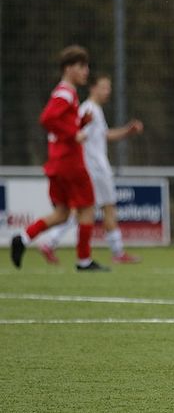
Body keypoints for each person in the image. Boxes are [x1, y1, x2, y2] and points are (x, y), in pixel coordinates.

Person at [10, 45, 108, 271]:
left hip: (58, 161)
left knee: (62, 213)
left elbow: (58, 123)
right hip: (70, 161)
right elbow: (47, 119)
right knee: (87, 208)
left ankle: (23, 238)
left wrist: (80, 123)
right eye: (81, 66)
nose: (86, 71)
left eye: (86, 66)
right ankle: (84, 260)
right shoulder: (65, 93)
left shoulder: (65, 93)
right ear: (68, 68)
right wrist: (74, 133)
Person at [36, 74, 144, 265]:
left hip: (94, 167)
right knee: (106, 207)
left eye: (109, 88)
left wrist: (127, 131)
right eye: (104, 87)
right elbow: (76, 135)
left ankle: (50, 242)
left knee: (83, 210)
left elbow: (104, 135)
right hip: (95, 168)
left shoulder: (95, 109)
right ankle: (117, 252)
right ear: (93, 88)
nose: (107, 91)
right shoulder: (87, 109)